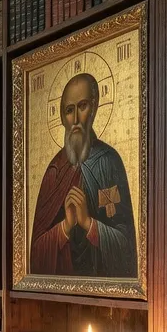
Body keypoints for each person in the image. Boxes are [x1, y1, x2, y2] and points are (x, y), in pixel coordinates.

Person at [28, 72, 137, 278]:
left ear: (94, 109)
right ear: (61, 117)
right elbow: (34, 257)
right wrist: (65, 227)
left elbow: (128, 250)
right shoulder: (53, 172)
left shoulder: (109, 162)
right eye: (69, 110)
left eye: (83, 106)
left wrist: (89, 224)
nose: (76, 119)